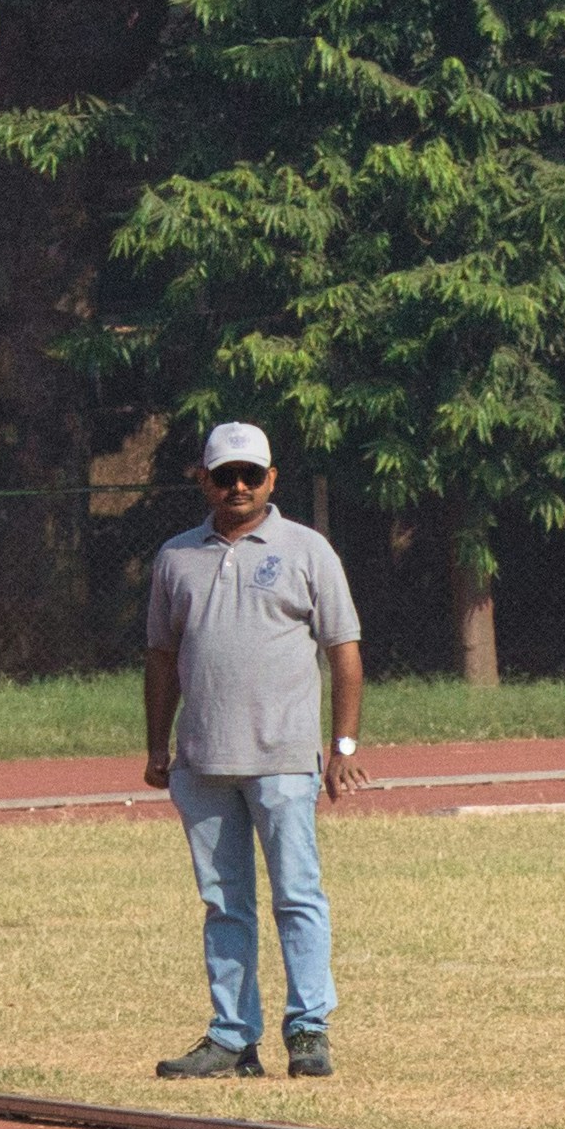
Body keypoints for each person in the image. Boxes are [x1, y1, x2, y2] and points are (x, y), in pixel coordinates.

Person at [138, 418, 363, 1081]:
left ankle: (309, 1028)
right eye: (224, 475)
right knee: (223, 904)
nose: (237, 486)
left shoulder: (307, 550)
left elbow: (344, 651)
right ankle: (233, 1037)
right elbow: (161, 658)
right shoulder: (176, 557)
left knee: (297, 895)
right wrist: (157, 745)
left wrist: (343, 743)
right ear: (202, 479)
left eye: (250, 474)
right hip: (204, 763)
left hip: (284, 758)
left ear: (271, 479)